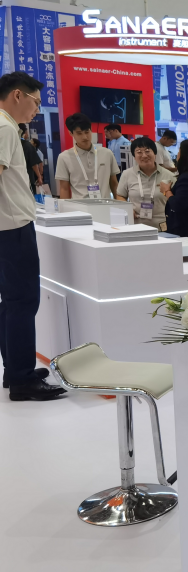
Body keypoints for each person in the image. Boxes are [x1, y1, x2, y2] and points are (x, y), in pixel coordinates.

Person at [0, 72, 66, 400]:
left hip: (8, 227)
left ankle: (15, 369)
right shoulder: (4, 127)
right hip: (12, 228)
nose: (37, 109)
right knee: (23, 301)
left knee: (11, 302)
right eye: (36, 102)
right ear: (17, 95)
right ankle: (23, 379)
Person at [56, 112, 120, 199]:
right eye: (79, 133)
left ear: (91, 130)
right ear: (71, 133)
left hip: (105, 205)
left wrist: (120, 204)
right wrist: (64, 208)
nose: (85, 137)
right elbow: (64, 188)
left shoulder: (107, 153)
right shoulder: (64, 157)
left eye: (87, 132)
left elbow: (114, 183)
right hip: (79, 206)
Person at [116, 136, 174, 230]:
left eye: (147, 151)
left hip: (162, 227)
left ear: (155, 153)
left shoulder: (169, 176)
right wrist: (128, 209)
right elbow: (120, 195)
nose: (144, 155)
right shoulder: (127, 174)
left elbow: (175, 201)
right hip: (135, 226)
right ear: (134, 156)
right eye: (139, 152)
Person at [18, 124, 42, 194]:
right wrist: (39, 176)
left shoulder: (11, 143)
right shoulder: (28, 145)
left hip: (14, 179)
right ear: (25, 132)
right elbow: (34, 163)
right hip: (27, 177)